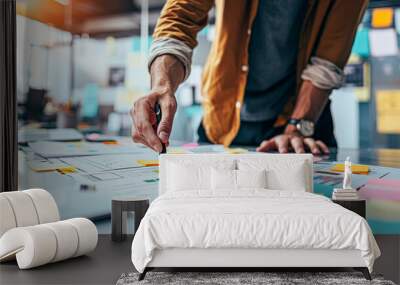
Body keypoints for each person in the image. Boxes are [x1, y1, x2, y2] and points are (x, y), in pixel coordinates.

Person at [131, 0, 368, 154]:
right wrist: (162, 85)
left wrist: (297, 127)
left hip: (302, 120)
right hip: (222, 121)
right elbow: (180, 18)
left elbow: (326, 62)